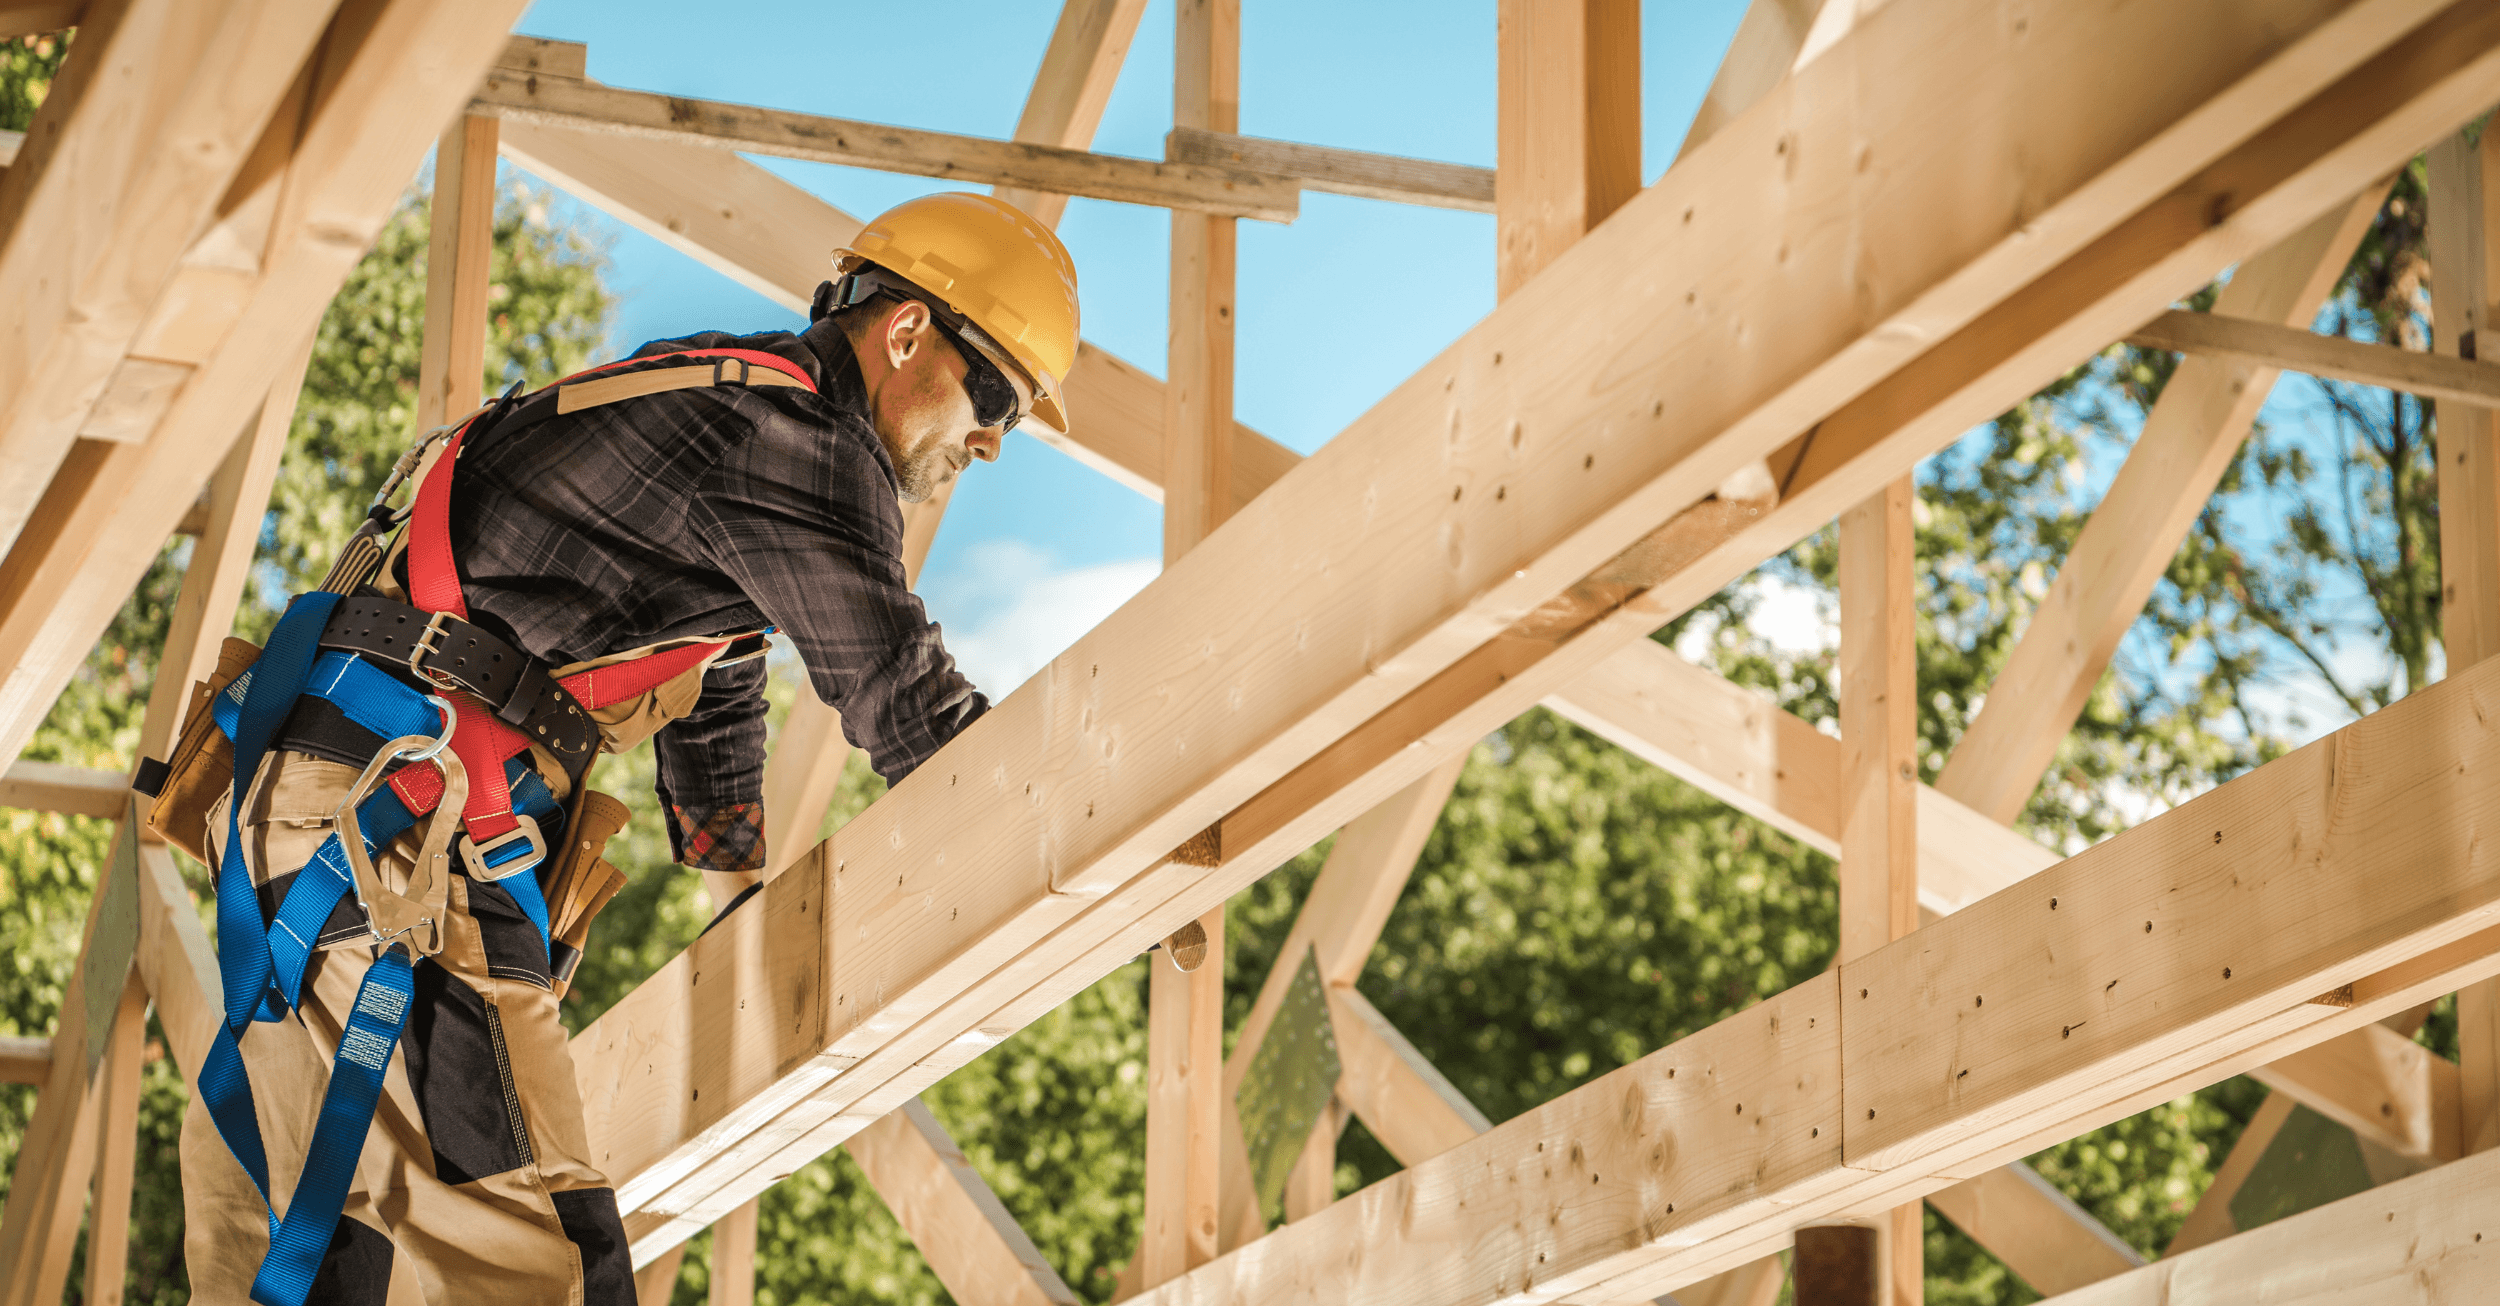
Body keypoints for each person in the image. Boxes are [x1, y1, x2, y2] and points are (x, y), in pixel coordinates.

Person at [171, 191, 1079, 1305]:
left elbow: (718, 668)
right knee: (539, 1257)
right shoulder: (803, 443)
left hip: (321, 816)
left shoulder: (714, 392)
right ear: (905, 333)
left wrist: (734, 882)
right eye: (997, 398)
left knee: (329, 1257)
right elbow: (907, 701)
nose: (991, 439)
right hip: (396, 833)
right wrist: (1087, 821)